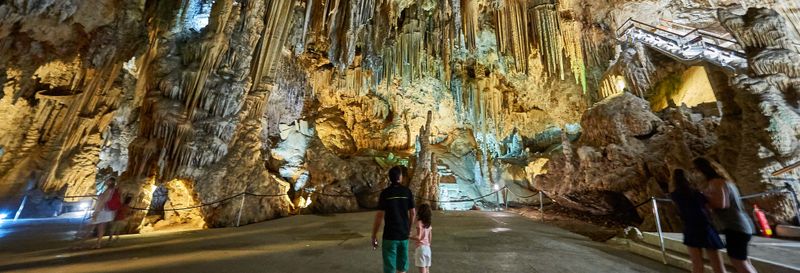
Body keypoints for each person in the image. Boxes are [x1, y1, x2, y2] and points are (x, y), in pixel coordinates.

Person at [694, 157, 758, 273]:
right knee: (744, 261)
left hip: (736, 226)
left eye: (695, 170)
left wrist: (703, 198)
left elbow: (722, 204)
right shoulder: (723, 181)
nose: (695, 174)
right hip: (738, 226)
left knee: (739, 262)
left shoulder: (716, 182)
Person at [670, 169, 726, 273]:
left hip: (690, 227)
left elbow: (677, 211)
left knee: (697, 265)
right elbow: (708, 209)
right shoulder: (696, 193)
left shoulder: (674, 196)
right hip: (705, 226)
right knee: (717, 264)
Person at [372, 166, 416, 273]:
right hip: (403, 235)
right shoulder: (407, 192)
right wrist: (409, 229)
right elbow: (413, 213)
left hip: (390, 235)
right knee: (402, 267)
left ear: (390, 178)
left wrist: (374, 235)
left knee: (390, 267)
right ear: (400, 177)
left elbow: (379, 216)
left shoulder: (385, 193)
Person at [91, 178, 119, 249]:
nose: (106, 181)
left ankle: (79, 244)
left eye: (107, 180)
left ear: (110, 182)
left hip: (103, 211)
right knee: (101, 227)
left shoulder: (108, 190)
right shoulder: (113, 190)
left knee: (92, 226)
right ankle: (98, 244)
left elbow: (103, 201)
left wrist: (96, 212)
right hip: (108, 211)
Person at [410, 203, 432, 273]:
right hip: (428, 248)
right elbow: (430, 237)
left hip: (421, 248)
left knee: (422, 270)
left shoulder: (419, 223)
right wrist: (428, 244)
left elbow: (418, 237)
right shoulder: (428, 224)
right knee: (427, 268)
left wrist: (409, 237)